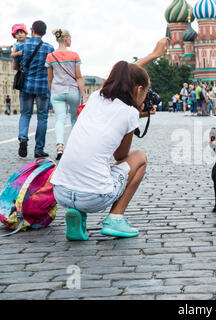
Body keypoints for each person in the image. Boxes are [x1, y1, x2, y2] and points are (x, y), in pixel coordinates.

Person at [51, 37, 168, 241]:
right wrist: (132, 119)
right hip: (94, 197)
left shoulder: (96, 97)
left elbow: (121, 77)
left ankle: (77, 214)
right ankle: (115, 218)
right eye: (146, 91)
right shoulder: (129, 114)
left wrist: (153, 55)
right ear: (139, 89)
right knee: (139, 157)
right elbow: (121, 155)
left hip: (60, 190)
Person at [12, 20, 55, 159]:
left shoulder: (22, 46)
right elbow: (52, 68)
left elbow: (15, 67)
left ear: (31, 30)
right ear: (44, 32)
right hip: (43, 87)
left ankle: (23, 138)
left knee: (25, 114)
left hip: (26, 86)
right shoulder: (49, 48)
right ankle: (39, 149)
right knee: (42, 117)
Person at [45, 28, 86, 160]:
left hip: (57, 91)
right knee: (74, 119)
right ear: (66, 38)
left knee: (60, 120)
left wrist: (52, 91)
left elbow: (50, 79)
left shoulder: (50, 56)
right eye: (70, 38)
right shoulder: (74, 55)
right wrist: (84, 95)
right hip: (73, 90)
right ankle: (74, 148)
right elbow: (79, 77)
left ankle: (60, 147)